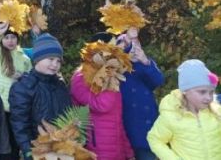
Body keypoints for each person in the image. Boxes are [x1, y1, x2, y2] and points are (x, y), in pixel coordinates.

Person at [8, 33, 72, 159]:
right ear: (37, 59)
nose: (55, 64)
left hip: (62, 149)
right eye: (50, 59)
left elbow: (68, 115)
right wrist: (28, 151)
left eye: (58, 61)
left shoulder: (60, 86)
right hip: (38, 150)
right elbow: (20, 124)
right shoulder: (24, 87)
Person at [70, 39, 134, 160]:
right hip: (96, 150)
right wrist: (109, 80)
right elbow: (102, 105)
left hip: (116, 150)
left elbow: (117, 121)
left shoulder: (111, 78)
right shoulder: (81, 77)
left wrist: (128, 152)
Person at [147, 59, 221, 159]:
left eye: (211, 92)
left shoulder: (216, 111)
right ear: (185, 91)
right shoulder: (171, 115)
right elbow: (155, 139)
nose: (208, 97)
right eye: (202, 92)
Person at [0, 22, 32, 160]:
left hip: (18, 106)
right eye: (7, 38)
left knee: (15, 142)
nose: (10, 41)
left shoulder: (24, 58)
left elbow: (30, 79)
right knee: (3, 143)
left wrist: (22, 76)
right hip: (0, 106)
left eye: (13, 37)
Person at [115, 29, 164, 160]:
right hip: (126, 129)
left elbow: (158, 80)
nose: (133, 48)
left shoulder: (143, 65)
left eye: (136, 44)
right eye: (128, 44)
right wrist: (125, 55)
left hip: (148, 130)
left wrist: (146, 62)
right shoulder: (116, 68)